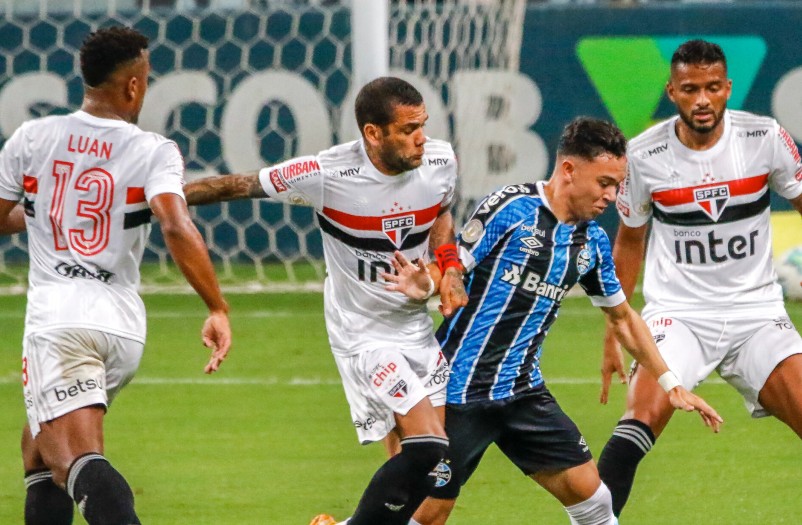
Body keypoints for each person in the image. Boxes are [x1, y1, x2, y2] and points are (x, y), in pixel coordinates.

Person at [381, 117, 722, 525]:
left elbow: (623, 317)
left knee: (595, 502)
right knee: (427, 514)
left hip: (523, 393)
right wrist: (427, 283)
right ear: (569, 170)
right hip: (458, 392)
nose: (612, 197)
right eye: (605, 183)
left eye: (617, 185)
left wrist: (671, 383)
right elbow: (453, 269)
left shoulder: (591, 242)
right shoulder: (511, 208)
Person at [183, 76, 468, 525]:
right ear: (373, 133)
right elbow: (234, 186)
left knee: (433, 485)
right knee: (430, 447)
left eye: (423, 125)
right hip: (363, 336)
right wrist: (154, 202)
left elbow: (444, 210)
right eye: (409, 128)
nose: (422, 138)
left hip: (415, 329)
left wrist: (448, 267)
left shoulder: (440, 160)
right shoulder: (325, 174)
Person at [0, 27, 232, 525]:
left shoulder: (32, 138)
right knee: (37, 448)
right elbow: (174, 221)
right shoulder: (155, 149)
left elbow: (1, 215)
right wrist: (216, 306)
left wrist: (45, 210)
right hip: (121, 325)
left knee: (73, 461)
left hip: (58, 323)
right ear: (132, 86)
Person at [596, 39, 802, 518]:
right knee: (635, 426)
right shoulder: (643, 155)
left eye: (713, 88)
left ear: (728, 88)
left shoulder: (764, 137)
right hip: (678, 317)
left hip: (757, 316)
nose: (703, 99)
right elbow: (629, 241)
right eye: (691, 89)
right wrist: (614, 326)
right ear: (672, 91)